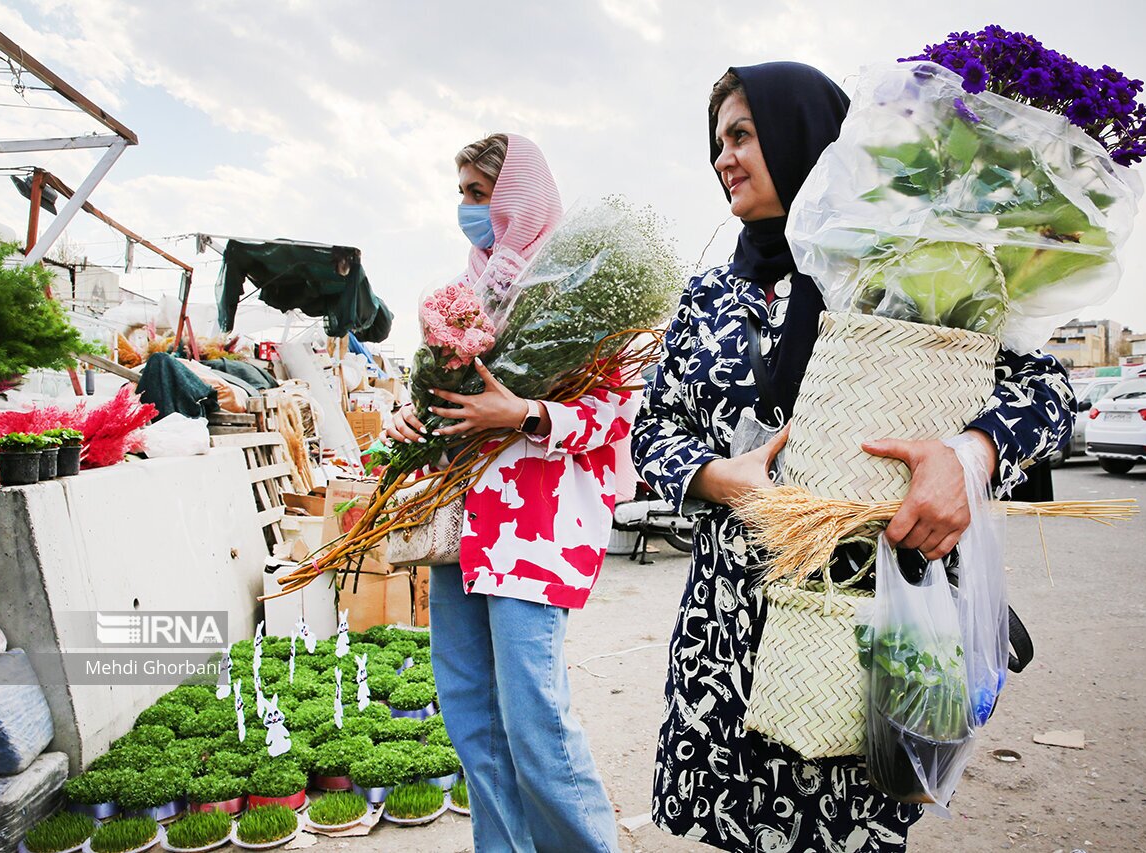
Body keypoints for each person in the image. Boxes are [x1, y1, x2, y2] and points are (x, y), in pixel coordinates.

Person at [631, 63, 1075, 851]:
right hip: (726, 631)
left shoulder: (900, 271)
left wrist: (967, 456)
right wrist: (715, 476)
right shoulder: (707, 297)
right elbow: (654, 429)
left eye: (742, 134)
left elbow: (1047, 391)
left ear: (803, 133)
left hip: (856, 627)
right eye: (716, 142)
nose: (723, 158)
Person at [388, 133, 630, 852]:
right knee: (470, 716)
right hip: (461, 529)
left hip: (533, 534)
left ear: (518, 196)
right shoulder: (462, 298)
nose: (467, 209)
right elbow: (435, 401)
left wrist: (521, 411)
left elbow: (618, 416)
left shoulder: (583, 287)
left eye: (479, 193)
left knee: (533, 722)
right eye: (461, 193)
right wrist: (411, 418)